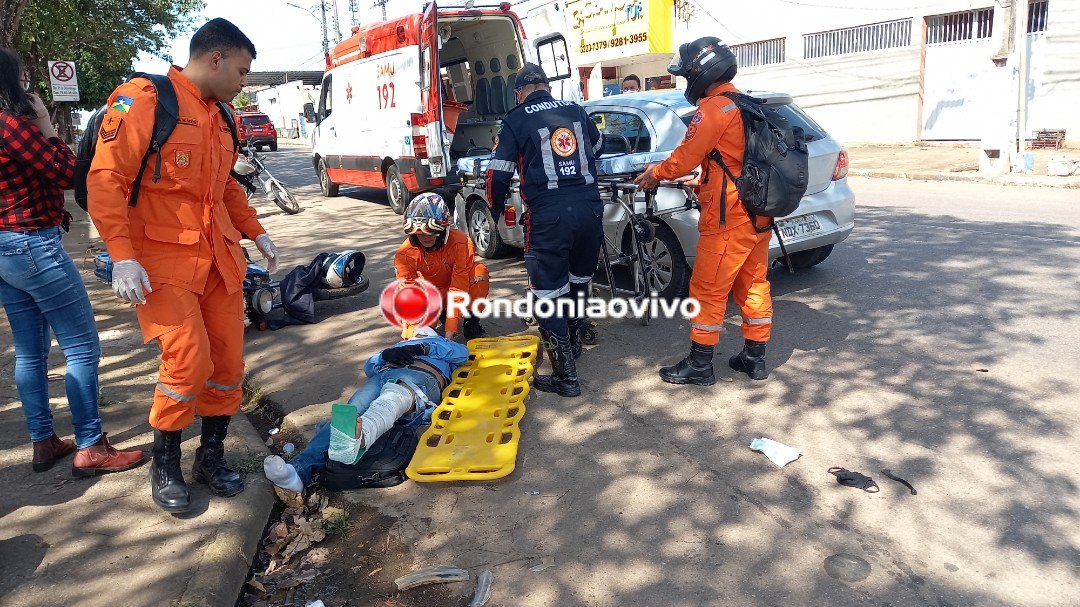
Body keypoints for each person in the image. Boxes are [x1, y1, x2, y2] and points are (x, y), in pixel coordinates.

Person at [86, 19, 281, 513]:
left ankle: (209, 456)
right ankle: (165, 460)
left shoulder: (223, 117)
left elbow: (226, 188)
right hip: (161, 263)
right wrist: (121, 256)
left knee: (228, 367)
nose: (244, 81)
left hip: (219, 261)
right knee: (187, 363)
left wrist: (255, 230)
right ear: (215, 59)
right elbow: (105, 178)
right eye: (241, 70)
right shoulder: (147, 100)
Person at [0, 48, 145, 476]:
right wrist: (45, 123)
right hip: (34, 245)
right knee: (82, 348)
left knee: (30, 352)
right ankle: (91, 446)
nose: (29, 89)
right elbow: (67, 172)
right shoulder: (9, 125)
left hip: (6, 248)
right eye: (23, 80)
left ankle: (43, 441)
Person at [635, 37, 773, 385]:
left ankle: (700, 364)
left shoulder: (713, 109)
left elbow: (684, 157)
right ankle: (754, 359)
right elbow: (732, 161)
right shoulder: (746, 105)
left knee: (707, 290)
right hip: (758, 217)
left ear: (700, 71)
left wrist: (655, 174)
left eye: (686, 76)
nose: (686, 84)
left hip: (728, 218)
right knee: (754, 284)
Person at [485, 63, 604, 398]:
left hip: (549, 215)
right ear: (547, 87)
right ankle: (575, 341)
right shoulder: (576, 110)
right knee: (580, 279)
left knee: (548, 295)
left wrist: (494, 210)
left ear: (521, 91)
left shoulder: (516, 118)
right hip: (589, 209)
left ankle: (566, 377)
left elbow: (498, 174)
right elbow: (597, 147)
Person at [263, 327, 469, 492]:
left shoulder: (441, 344)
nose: (418, 334)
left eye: (423, 334)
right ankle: (297, 473)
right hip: (383, 376)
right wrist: (386, 355)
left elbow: (463, 354)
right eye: (416, 335)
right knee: (349, 414)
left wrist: (425, 349)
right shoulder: (399, 345)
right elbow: (369, 367)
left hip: (419, 377)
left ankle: (362, 436)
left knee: (394, 396)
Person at [396, 192, 488, 340]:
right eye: (420, 233)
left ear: (443, 229)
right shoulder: (405, 254)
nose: (426, 237)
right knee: (417, 334)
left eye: (431, 232)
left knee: (479, 272)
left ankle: (471, 321)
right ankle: (439, 315)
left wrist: (450, 333)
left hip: (454, 288)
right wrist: (412, 332)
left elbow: (459, 286)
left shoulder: (461, 243)